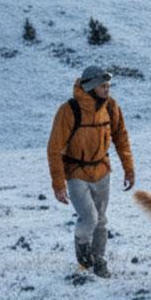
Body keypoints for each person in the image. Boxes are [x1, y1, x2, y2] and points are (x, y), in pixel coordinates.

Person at [46, 64, 135, 277]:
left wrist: (128, 169)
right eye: (103, 86)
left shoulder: (111, 107)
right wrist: (58, 185)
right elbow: (54, 149)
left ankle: (99, 262)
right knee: (89, 218)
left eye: (108, 85)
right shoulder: (68, 110)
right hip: (76, 171)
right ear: (91, 87)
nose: (107, 90)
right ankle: (84, 260)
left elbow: (121, 138)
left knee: (101, 220)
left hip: (102, 170)